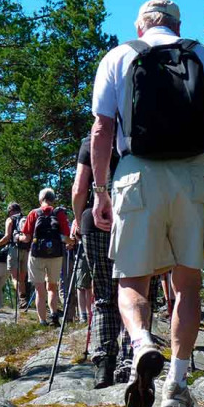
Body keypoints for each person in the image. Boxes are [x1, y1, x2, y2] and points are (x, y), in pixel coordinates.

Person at [90, 0, 204, 407]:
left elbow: (102, 128)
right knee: (186, 284)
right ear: (177, 25)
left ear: (141, 27)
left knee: (132, 281)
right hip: (196, 176)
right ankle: (176, 381)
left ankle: (140, 342)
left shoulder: (118, 57)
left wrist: (101, 192)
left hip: (139, 175)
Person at [72, 136, 126, 388]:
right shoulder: (140, 134)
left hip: (94, 223)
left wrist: (77, 219)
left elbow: (79, 190)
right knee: (138, 291)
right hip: (134, 219)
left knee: (103, 294)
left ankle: (104, 364)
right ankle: (130, 360)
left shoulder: (91, 142)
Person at [19, 188, 75, 326]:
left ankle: (43, 321)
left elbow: (26, 238)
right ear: (53, 199)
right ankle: (54, 316)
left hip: (37, 255)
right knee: (52, 287)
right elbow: (66, 237)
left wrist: (17, 237)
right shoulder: (59, 213)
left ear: (40, 200)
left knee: (39, 289)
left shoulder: (33, 213)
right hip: (55, 255)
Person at [0, 203, 31, 309]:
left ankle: (21, 299)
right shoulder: (25, 218)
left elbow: (7, 237)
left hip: (14, 249)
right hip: (26, 250)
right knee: (22, 278)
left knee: (15, 278)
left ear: (10, 211)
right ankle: (23, 300)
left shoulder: (10, 219)